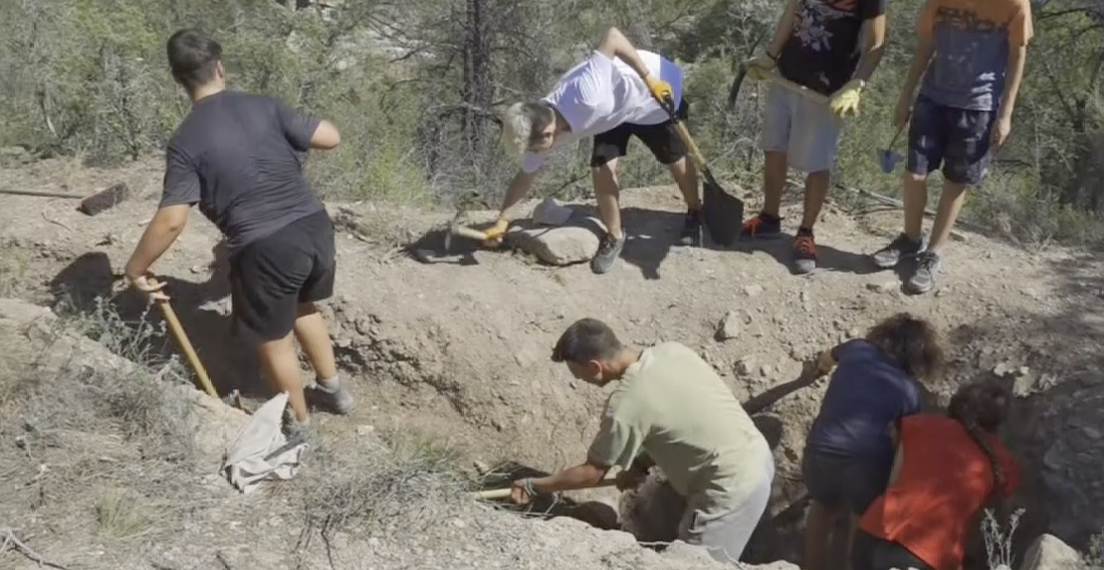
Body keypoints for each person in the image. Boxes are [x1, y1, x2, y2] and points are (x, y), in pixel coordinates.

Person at [123, 28, 354, 431]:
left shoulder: (185, 141)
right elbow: (330, 137)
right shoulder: (264, 105)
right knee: (303, 306)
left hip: (266, 247)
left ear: (179, 80)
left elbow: (173, 219)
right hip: (315, 226)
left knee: (273, 340)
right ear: (220, 68)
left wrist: (135, 268)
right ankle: (335, 391)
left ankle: (299, 429)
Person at [509, 318, 775, 565]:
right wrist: (639, 466)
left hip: (730, 490)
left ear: (595, 367)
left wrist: (535, 486)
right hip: (757, 456)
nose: (579, 380)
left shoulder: (626, 403)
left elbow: (592, 473)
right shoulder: (673, 352)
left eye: (577, 373)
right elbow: (677, 420)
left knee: (691, 564)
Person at [489, 27, 702, 275]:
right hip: (612, 113)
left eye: (534, 148)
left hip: (652, 94)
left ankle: (695, 211)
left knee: (675, 158)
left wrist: (649, 79)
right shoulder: (542, 124)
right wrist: (502, 220)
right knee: (601, 166)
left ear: (548, 134)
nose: (533, 153)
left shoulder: (585, 95)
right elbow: (525, 176)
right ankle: (615, 235)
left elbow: (613, 36)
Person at [872, 0, 1032, 294]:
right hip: (933, 96)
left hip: (979, 104)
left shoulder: (1014, 3)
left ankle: (933, 253)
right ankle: (910, 239)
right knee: (914, 174)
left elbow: (1017, 53)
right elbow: (925, 44)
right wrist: (907, 94)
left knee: (956, 182)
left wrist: (1005, 114)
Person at [739, 0, 888, 274]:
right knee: (774, 148)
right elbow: (792, 12)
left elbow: (877, 44)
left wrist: (857, 84)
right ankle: (769, 218)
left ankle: (806, 234)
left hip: (826, 91)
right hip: (787, 76)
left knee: (818, 163)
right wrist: (771, 56)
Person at [801, 313, 945, 570]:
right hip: (866, 465)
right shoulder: (910, 391)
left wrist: (820, 370)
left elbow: (826, 359)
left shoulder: (856, 349)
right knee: (862, 521)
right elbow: (903, 443)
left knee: (822, 508)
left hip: (820, 450)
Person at [852, 378, 1020, 570]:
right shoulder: (1003, 463)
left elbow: (893, 482)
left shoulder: (919, 425)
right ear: (998, 423)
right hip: (928, 557)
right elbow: (998, 528)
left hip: (872, 535)